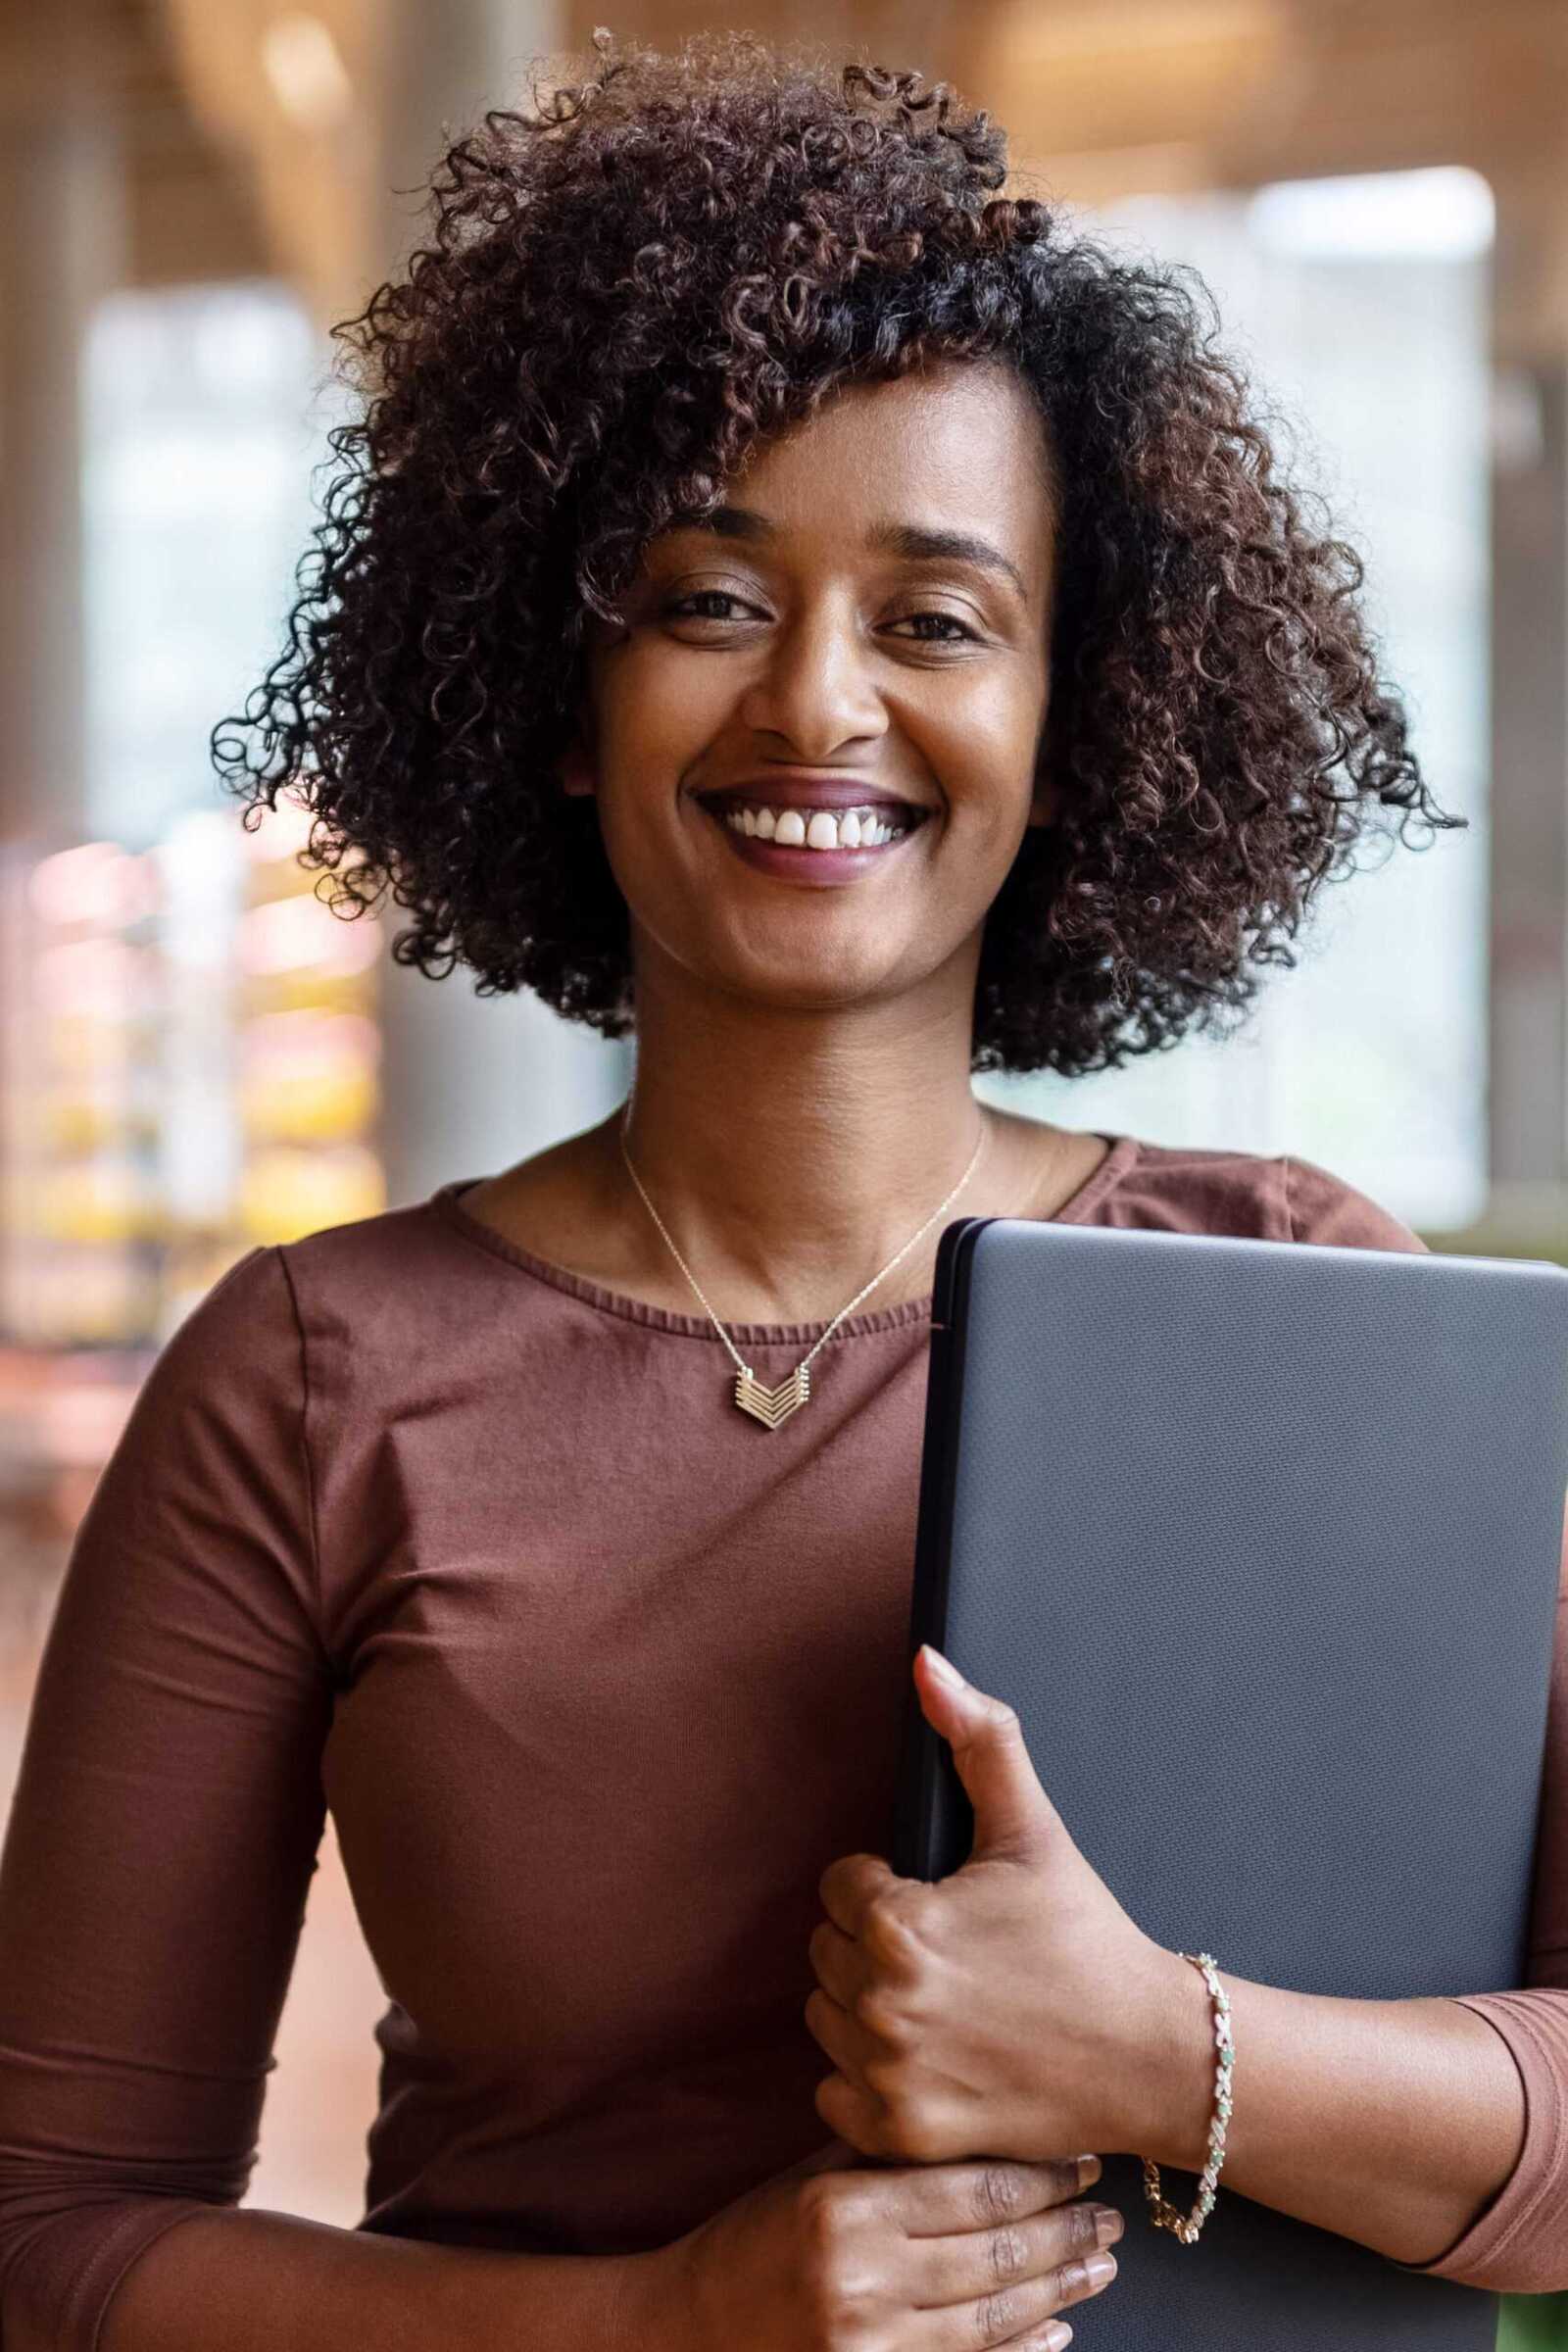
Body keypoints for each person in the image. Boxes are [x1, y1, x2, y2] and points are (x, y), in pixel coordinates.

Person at [1, 27, 1563, 2351]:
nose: (813, 703)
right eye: (705, 600)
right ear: (555, 678)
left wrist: (1153, 2046)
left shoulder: (1295, 1303)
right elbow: (53, 2246)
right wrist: (658, 2323)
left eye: (934, 619)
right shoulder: (315, 1377)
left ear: (1072, 714)